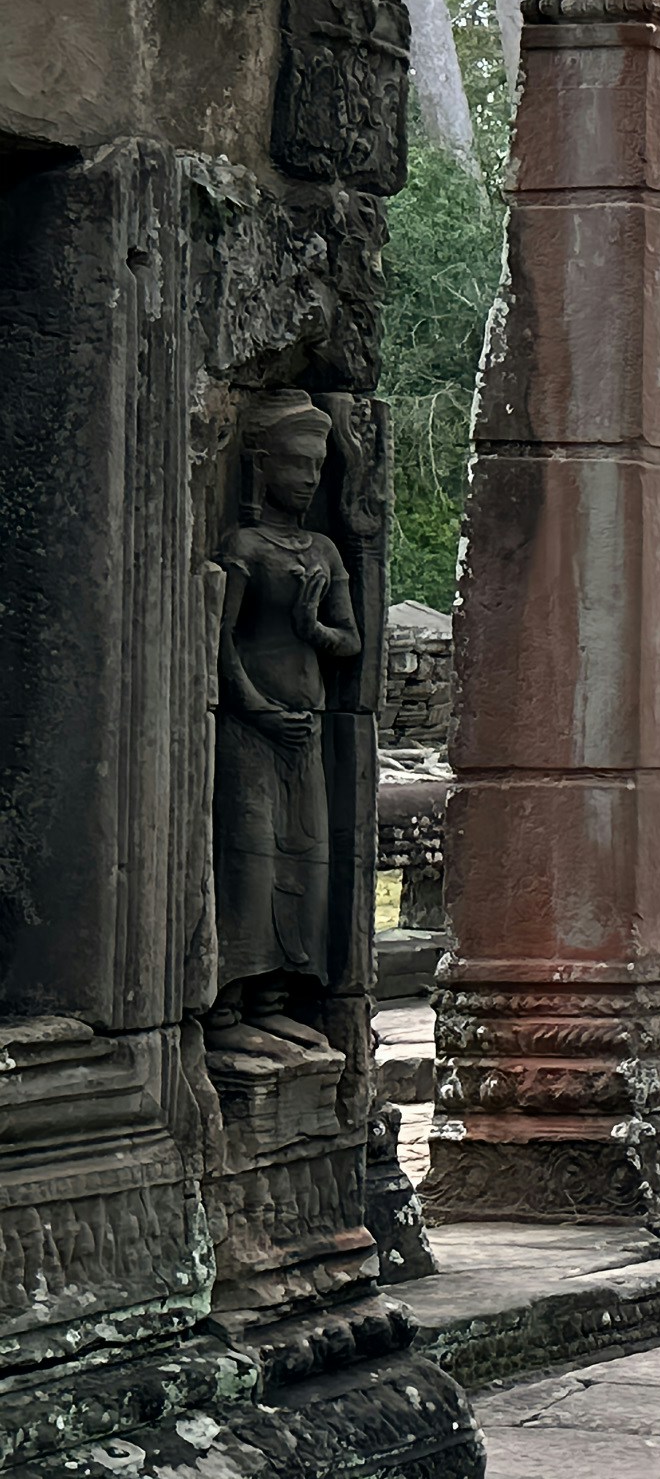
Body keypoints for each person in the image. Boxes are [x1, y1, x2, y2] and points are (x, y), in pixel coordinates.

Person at [211, 396, 355, 1064]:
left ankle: (275, 1002)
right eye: (296, 463)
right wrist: (256, 708)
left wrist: (312, 631)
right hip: (252, 727)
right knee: (250, 863)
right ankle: (228, 1006)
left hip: (310, 729)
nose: (307, 478)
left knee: (305, 863)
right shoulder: (244, 547)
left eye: (318, 467)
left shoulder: (324, 549)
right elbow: (219, 641)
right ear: (262, 465)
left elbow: (348, 643)